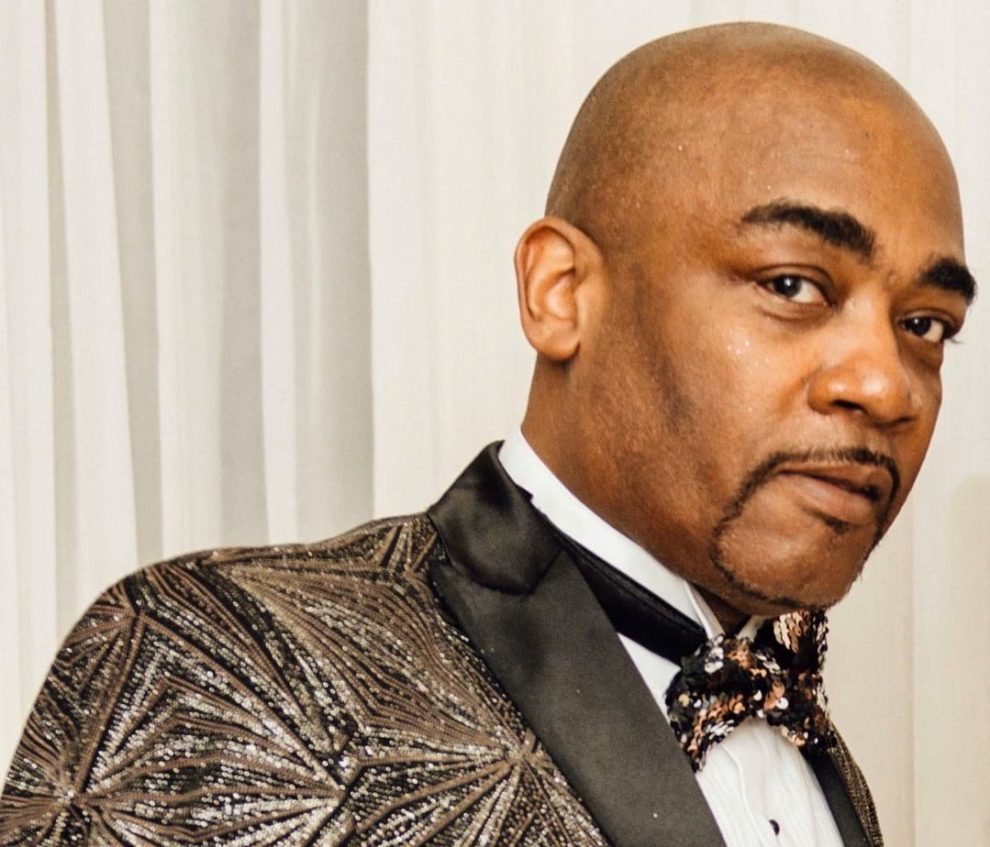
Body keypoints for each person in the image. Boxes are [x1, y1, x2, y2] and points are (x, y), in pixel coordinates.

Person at [0, 21, 976, 847]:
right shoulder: (229, 658)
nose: (885, 384)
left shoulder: (808, 743)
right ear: (561, 293)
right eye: (793, 284)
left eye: (926, 324)